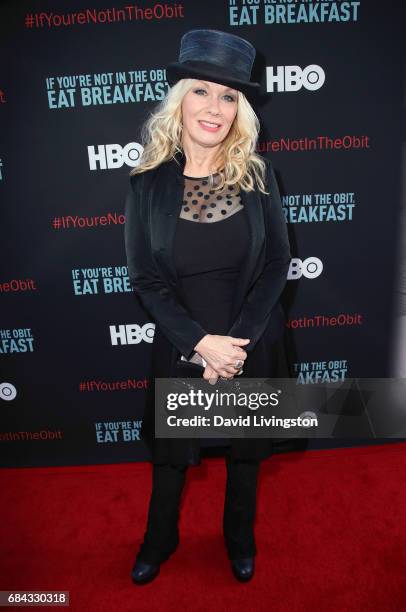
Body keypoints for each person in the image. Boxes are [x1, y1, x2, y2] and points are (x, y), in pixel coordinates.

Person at [124, 29, 292, 584]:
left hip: (249, 341)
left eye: (228, 96)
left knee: (245, 455)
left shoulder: (260, 176)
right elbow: (147, 280)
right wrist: (200, 344)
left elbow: (274, 267)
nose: (214, 107)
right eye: (201, 91)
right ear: (180, 101)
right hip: (182, 343)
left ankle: (239, 538)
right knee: (172, 458)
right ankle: (160, 539)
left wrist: (235, 345)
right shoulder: (147, 185)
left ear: (240, 110)